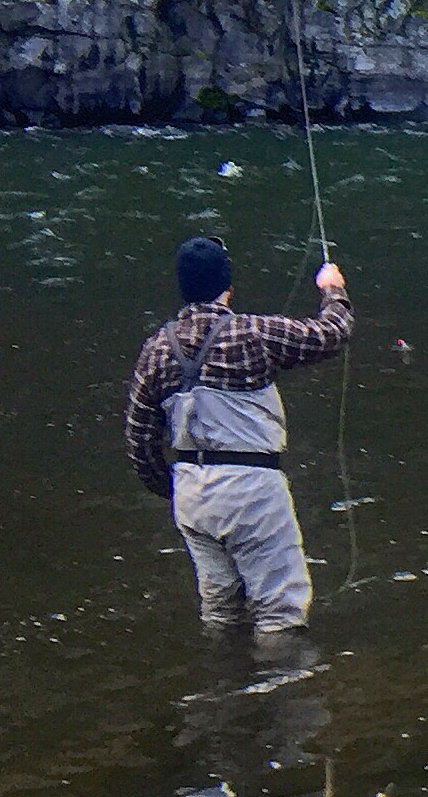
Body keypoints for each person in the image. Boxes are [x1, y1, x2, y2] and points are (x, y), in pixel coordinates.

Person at [125, 236, 351, 646]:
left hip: (191, 493)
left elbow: (140, 442)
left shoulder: (155, 349)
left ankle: (220, 679)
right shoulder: (253, 333)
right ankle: (282, 682)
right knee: (279, 613)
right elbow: (331, 335)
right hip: (252, 491)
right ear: (228, 287)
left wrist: (173, 488)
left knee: (221, 611)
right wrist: (332, 289)